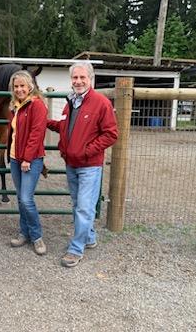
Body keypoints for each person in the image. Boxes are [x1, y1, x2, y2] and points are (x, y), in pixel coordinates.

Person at [47, 62, 118, 267]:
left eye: (82, 78)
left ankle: (76, 249)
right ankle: (90, 237)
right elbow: (64, 126)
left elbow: (111, 134)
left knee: (84, 208)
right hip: (71, 163)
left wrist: (87, 151)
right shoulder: (71, 101)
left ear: (90, 79)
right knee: (79, 204)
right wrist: (45, 121)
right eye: (75, 78)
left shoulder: (101, 103)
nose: (78, 81)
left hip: (89, 165)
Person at [6, 70, 48, 255]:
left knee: (26, 199)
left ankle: (37, 236)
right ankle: (24, 232)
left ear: (30, 86)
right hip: (15, 158)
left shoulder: (37, 105)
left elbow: (36, 134)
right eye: (16, 86)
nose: (19, 89)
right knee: (21, 199)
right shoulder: (15, 106)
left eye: (22, 86)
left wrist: (27, 159)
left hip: (29, 159)